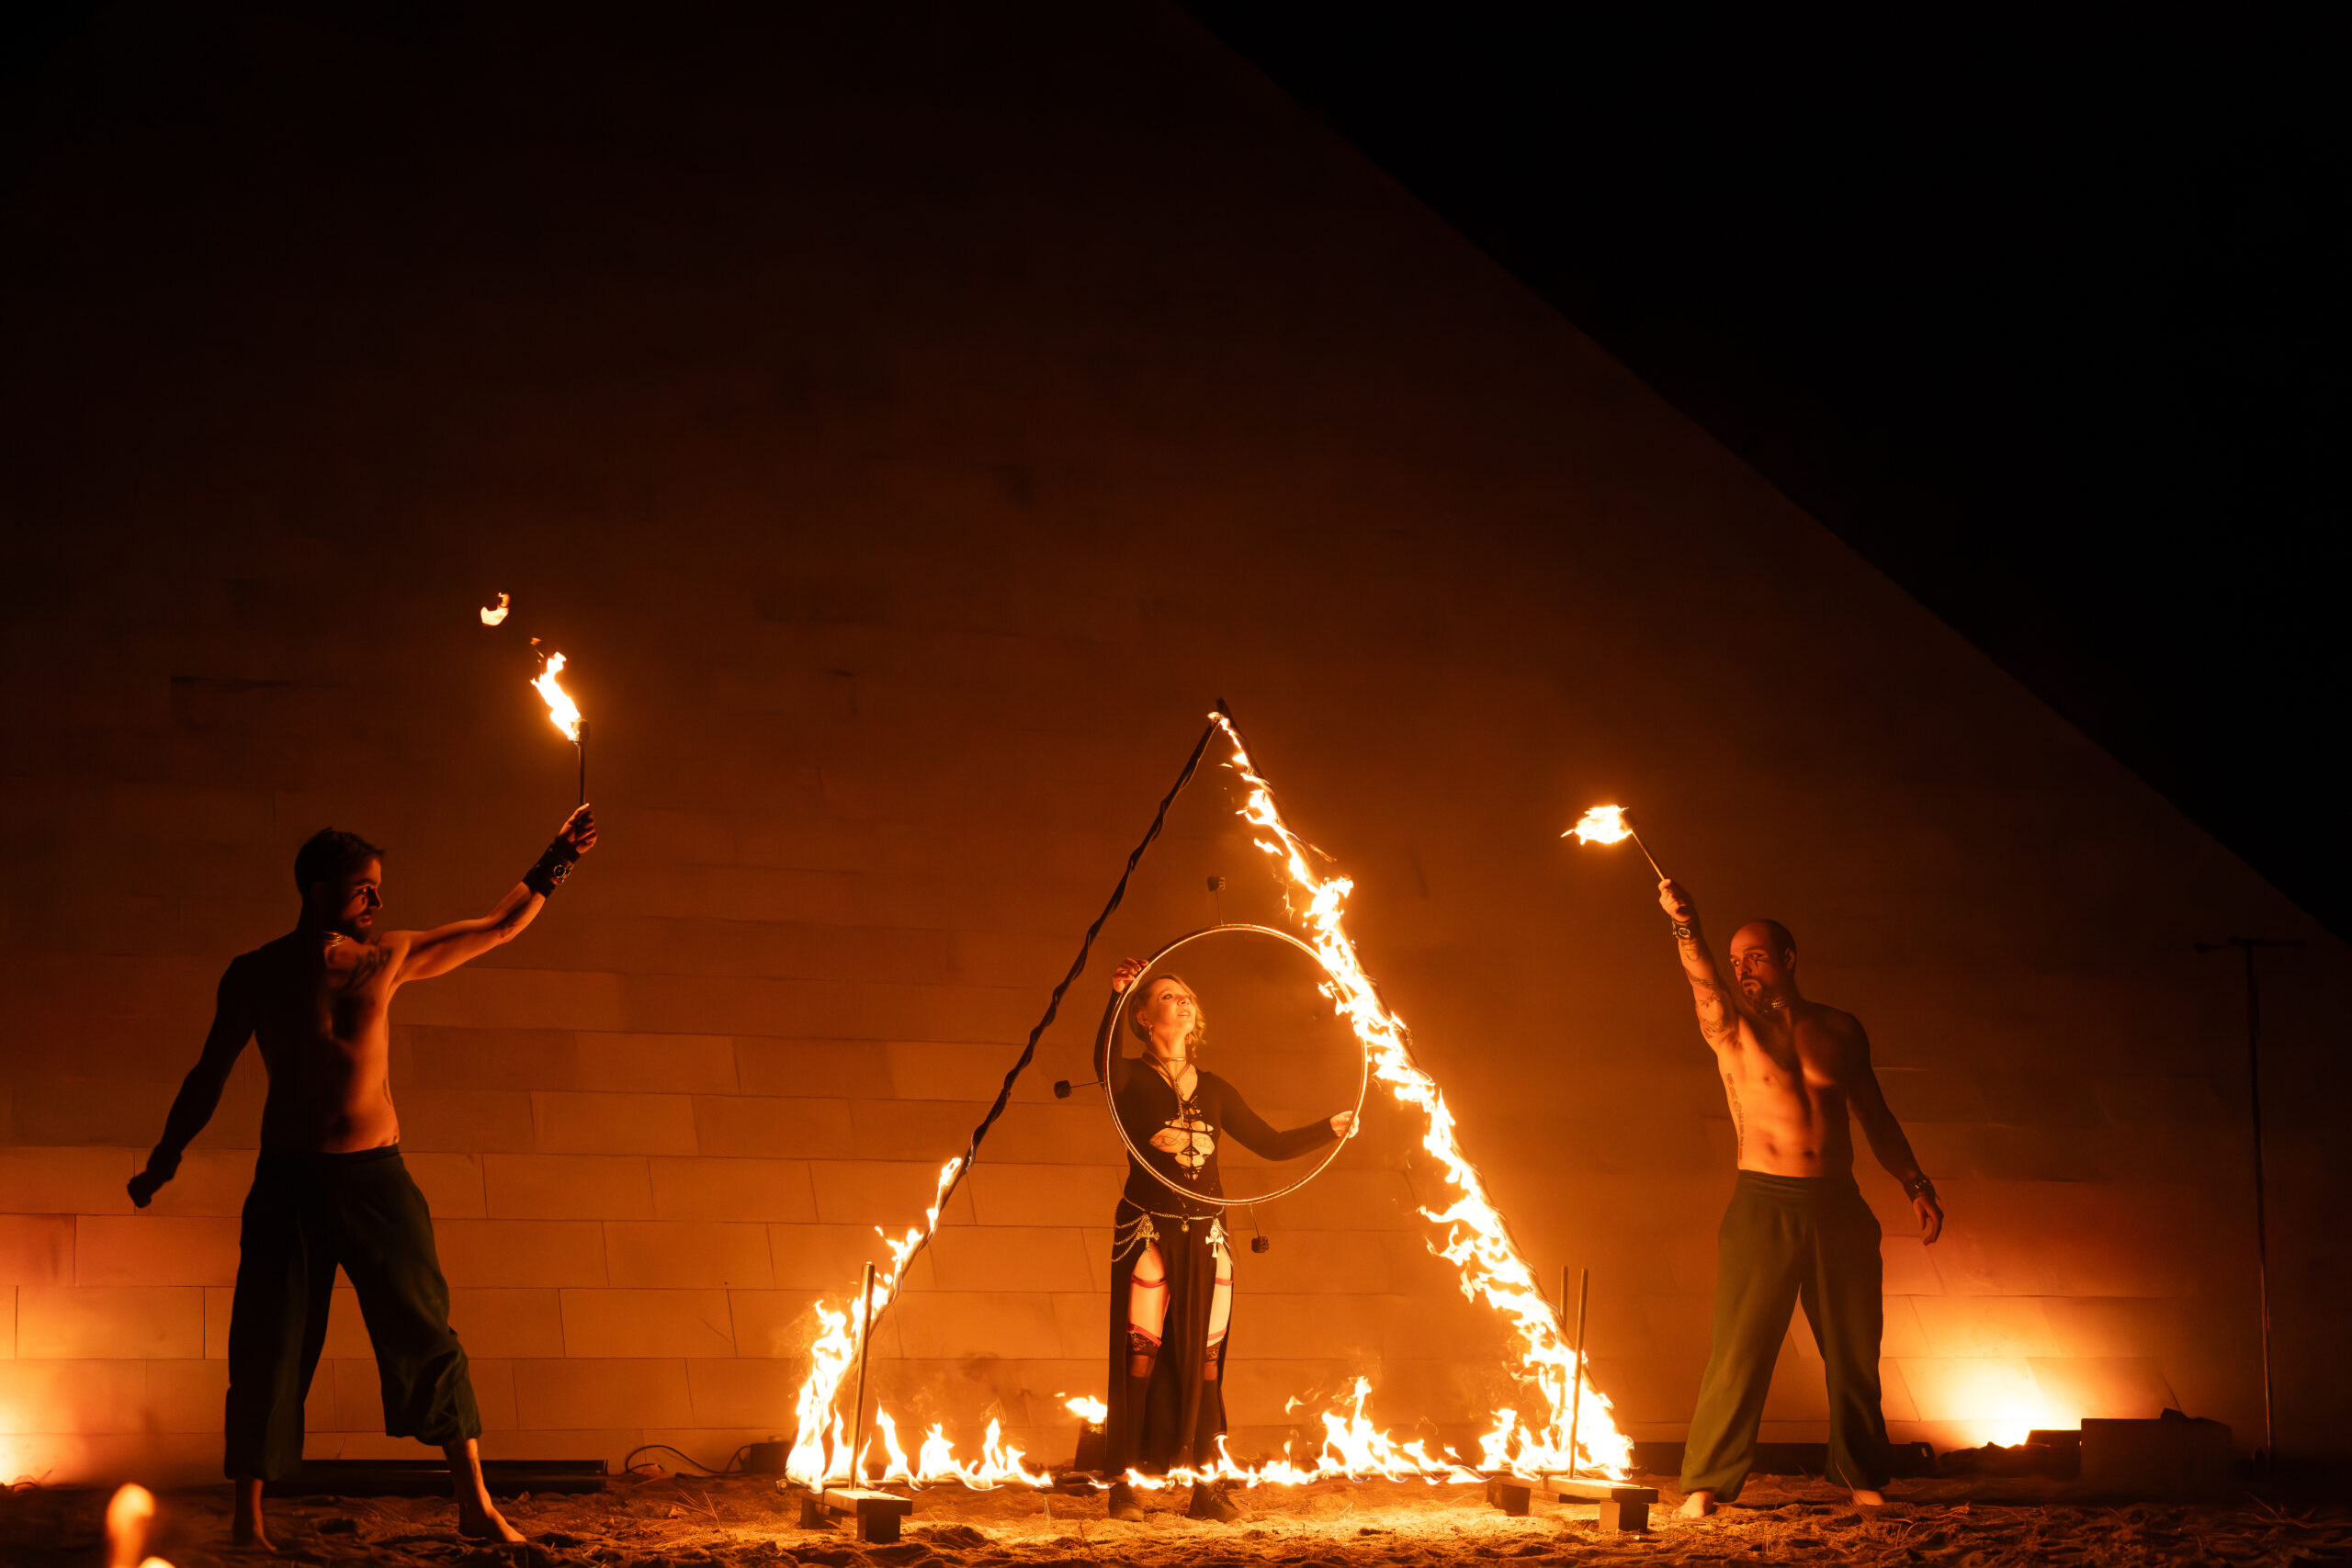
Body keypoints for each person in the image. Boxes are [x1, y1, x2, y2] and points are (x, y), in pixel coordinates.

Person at [128, 807, 599, 1549]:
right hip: (289, 1181)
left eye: (378, 888)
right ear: (317, 891)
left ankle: (474, 1505)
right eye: (361, 890)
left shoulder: (389, 959)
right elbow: (208, 1072)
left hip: (377, 1180)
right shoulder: (256, 973)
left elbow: (496, 926)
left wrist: (557, 859)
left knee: (426, 1332)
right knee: (268, 1342)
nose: (377, 902)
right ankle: (248, 1523)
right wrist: (166, 1153)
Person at [1657, 877, 1943, 1517]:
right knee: (1740, 1348)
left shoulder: (1841, 1029)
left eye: (1754, 956)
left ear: (1788, 958)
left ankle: (1860, 1472)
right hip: (1764, 1203)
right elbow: (1700, 979)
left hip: (1838, 1205)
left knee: (1853, 1348)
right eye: (1734, 960)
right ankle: (1705, 1480)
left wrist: (1915, 1182)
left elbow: (1876, 1113)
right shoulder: (1730, 1028)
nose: (1740, 969)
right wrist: (1685, 925)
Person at [1093, 959, 1357, 1522]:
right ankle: (1126, 1485)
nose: (1182, 1000)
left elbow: (1271, 1143)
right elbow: (1102, 1064)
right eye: (1167, 995)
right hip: (1148, 1229)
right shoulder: (1132, 1080)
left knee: (1208, 1362)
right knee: (1141, 1356)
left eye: (1187, 993)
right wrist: (1114, 999)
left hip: (1208, 1236)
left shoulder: (1214, 1089)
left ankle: (1205, 1487)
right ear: (1143, 1017)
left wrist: (1326, 1128)